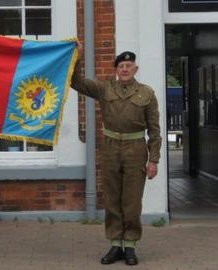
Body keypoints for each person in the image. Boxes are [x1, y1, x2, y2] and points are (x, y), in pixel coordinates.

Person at [71, 50, 161, 265]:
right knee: (112, 200)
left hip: (136, 149)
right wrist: (77, 56)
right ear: (116, 69)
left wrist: (154, 160)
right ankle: (115, 245)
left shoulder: (147, 93)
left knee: (131, 201)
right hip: (110, 148)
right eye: (121, 65)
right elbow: (76, 82)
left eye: (129, 66)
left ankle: (129, 246)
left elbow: (155, 130)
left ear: (135, 69)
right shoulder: (104, 88)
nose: (125, 69)